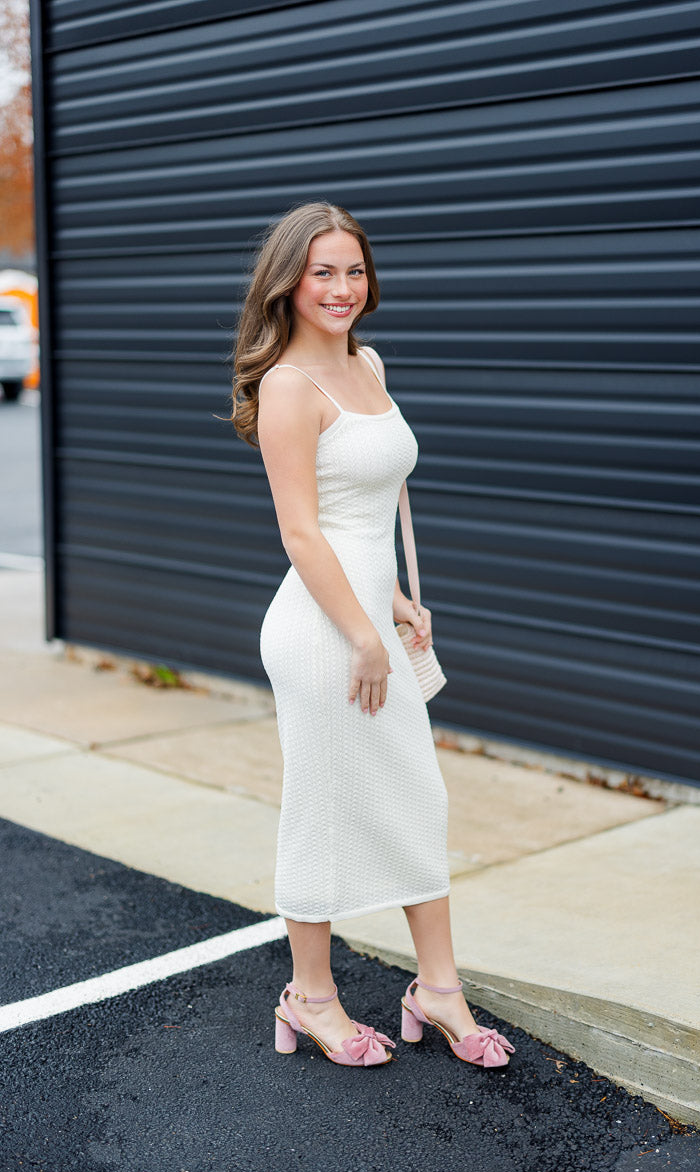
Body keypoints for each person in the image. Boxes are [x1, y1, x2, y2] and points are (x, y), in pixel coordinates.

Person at [231, 201, 514, 1070]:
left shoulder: (368, 363)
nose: (342, 289)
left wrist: (393, 601)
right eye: (322, 272)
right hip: (321, 632)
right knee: (322, 803)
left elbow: (365, 518)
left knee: (415, 795)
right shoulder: (288, 386)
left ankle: (436, 988)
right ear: (288, 281)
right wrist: (360, 632)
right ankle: (309, 997)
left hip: (364, 618)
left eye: (354, 270)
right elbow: (304, 533)